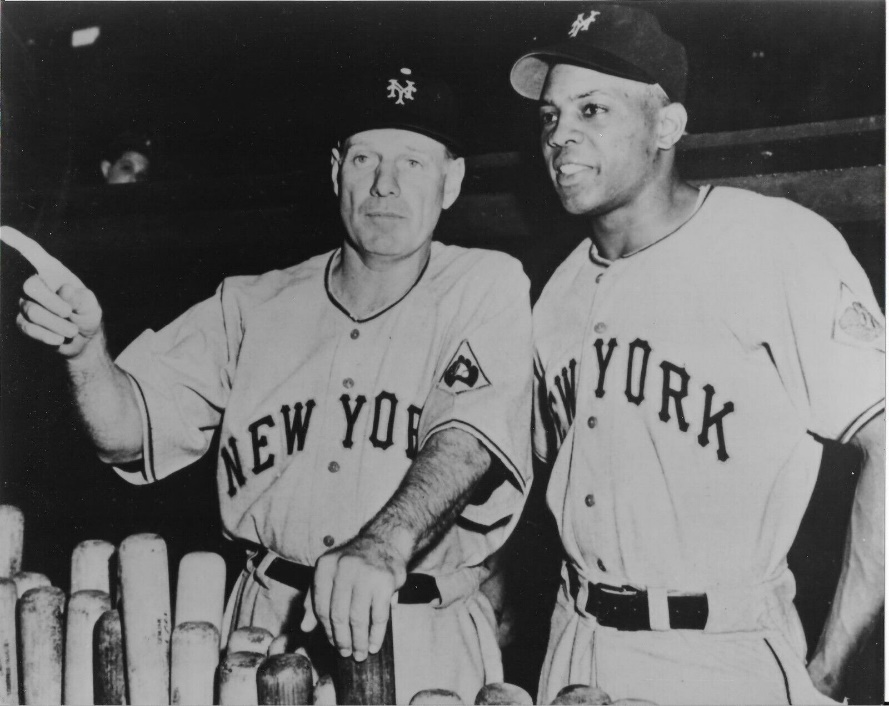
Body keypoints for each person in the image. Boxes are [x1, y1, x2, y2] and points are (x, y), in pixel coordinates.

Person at [17, 65, 532, 703]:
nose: (385, 185)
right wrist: (87, 351)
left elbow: (470, 438)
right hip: (264, 628)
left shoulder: (486, 285)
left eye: (414, 163)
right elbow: (126, 433)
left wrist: (382, 543)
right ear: (336, 169)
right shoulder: (252, 303)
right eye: (366, 157)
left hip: (423, 627)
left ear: (451, 182)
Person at [509, 5, 884, 705]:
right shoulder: (556, 292)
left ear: (666, 126)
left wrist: (831, 667)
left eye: (592, 110)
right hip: (575, 643)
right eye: (550, 116)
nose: (560, 136)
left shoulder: (773, 244)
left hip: (719, 656)